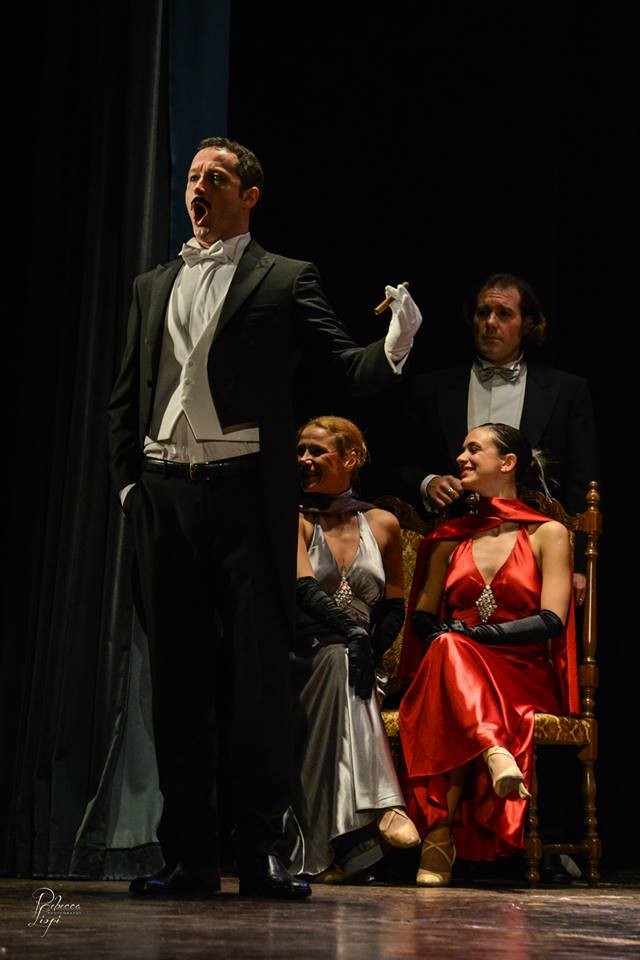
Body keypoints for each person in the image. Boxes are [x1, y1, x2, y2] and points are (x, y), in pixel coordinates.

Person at [107, 136, 423, 899]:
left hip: (247, 497)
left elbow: (346, 366)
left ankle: (261, 851)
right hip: (166, 496)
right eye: (192, 176)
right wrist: (129, 490)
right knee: (177, 680)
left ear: (249, 195)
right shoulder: (153, 285)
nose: (199, 187)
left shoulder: (283, 278)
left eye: (216, 177)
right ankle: (188, 855)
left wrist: (398, 339)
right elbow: (126, 395)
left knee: (256, 676)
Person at [397, 422, 578, 886]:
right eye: (461, 450)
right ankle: (494, 748)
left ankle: (438, 839)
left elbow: (551, 619)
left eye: (474, 449)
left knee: (451, 657)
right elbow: (422, 618)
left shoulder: (548, 533)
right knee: (446, 648)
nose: (461, 458)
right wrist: (455, 635)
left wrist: (478, 635)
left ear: (508, 462)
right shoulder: (449, 537)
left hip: (519, 670)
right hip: (454, 662)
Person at [394, 273, 598, 605]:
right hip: (452, 548)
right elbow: (396, 463)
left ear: (527, 323)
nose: (490, 322)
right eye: (482, 312)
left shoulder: (566, 391)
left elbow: (581, 481)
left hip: (533, 553)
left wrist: (576, 566)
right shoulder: (431, 389)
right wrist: (427, 482)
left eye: (504, 314)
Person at [288, 415, 420, 882]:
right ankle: (382, 811)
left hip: (362, 663)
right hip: (304, 655)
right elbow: (304, 590)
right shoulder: (293, 518)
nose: (304, 459)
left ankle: (332, 848)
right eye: (300, 450)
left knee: (346, 668)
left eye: (316, 451)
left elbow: (394, 607)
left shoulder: (382, 523)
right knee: (339, 661)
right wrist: (353, 635)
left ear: (351, 458)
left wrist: (370, 649)